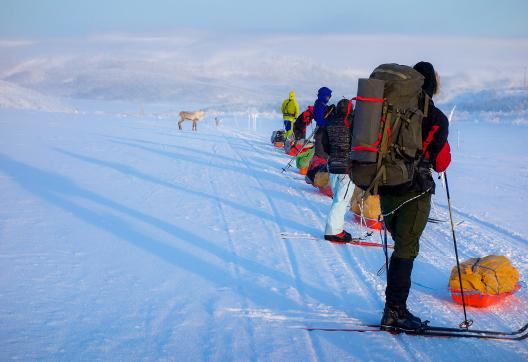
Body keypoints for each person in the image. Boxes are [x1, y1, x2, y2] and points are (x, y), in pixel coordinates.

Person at [379, 61, 451, 330]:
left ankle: (393, 308)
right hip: (414, 192)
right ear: (432, 84)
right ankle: (395, 311)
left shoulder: (386, 110)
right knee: (406, 250)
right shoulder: (435, 117)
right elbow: (440, 162)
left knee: (401, 247)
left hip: (384, 188)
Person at [322, 99, 356, 242]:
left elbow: (324, 144)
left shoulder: (330, 122)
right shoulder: (352, 123)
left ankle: (336, 227)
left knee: (337, 198)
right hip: (346, 167)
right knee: (341, 201)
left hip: (333, 166)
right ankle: (333, 231)